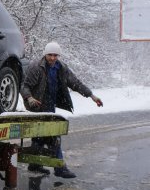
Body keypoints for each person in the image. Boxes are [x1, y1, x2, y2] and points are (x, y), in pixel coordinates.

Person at [20, 41, 103, 179]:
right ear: (45, 54)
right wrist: (29, 98)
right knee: (52, 136)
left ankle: (35, 164)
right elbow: (25, 85)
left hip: (50, 106)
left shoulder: (61, 68)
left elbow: (75, 83)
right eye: (50, 55)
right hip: (37, 106)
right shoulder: (36, 67)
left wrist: (92, 96)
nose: (52, 58)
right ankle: (60, 168)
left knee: (42, 136)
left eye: (55, 55)